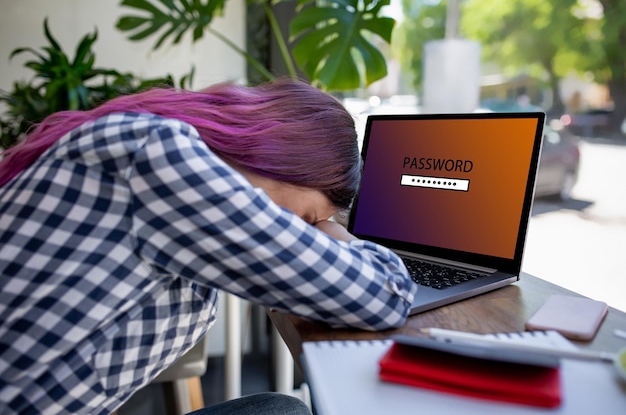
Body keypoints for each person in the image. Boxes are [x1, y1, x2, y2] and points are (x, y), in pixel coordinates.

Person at [0, 78, 417, 415]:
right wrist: (336, 233)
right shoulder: (162, 158)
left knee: (277, 408)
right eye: (308, 220)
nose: (301, 234)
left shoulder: (155, 152)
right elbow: (387, 295)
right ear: (286, 159)